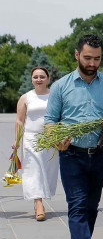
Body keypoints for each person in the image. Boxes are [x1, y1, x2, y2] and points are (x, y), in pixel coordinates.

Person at [44, 34, 103, 239]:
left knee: (91, 206)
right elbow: (50, 121)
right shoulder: (61, 86)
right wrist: (56, 138)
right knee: (77, 204)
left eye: (97, 59)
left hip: (101, 153)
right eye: (88, 58)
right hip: (72, 154)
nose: (92, 63)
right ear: (77, 55)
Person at [14, 67, 58, 221]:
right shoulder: (26, 97)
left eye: (42, 76)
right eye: (35, 77)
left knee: (48, 170)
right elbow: (20, 121)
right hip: (31, 138)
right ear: (32, 79)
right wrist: (17, 140)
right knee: (33, 169)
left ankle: (40, 197)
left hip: (50, 139)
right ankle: (38, 203)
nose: (39, 79)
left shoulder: (54, 96)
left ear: (48, 79)